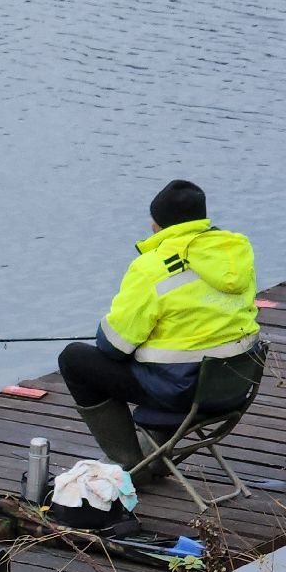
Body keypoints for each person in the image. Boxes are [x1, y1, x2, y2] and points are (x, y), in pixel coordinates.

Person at [59, 179, 260, 472]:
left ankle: (127, 461)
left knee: (75, 359)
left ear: (157, 225)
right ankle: (156, 455)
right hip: (235, 384)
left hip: (184, 393)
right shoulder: (235, 254)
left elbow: (114, 346)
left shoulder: (151, 268)